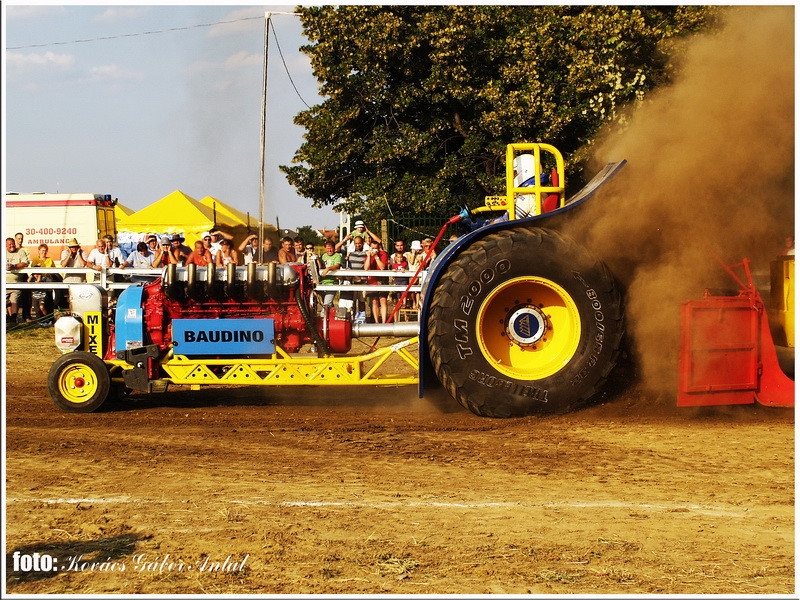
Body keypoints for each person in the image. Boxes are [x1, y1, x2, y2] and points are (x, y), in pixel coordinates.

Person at [365, 239, 389, 323]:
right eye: (372, 248)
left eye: (376, 248)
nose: (374, 250)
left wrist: (376, 257)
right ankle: (376, 321)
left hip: (382, 280)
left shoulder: (383, 255)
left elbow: (382, 267)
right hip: (372, 281)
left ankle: (384, 322)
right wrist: (368, 256)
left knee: (383, 300)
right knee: (374, 301)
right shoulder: (367, 255)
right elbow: (366, 268)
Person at [6, 237, 30, 323]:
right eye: (9, 244)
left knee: (14, 299)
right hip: (5, 283)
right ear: (6, 245)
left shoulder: (20, 251)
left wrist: (14, 266)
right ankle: (8, 317)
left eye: (13, 244)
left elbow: (25, 263)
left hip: (16, 283)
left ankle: (13, 319)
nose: (12, 246)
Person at [30, 244, 55, 322]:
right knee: (38, 301)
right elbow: (33, 271)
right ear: (39, 251)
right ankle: (41, 319)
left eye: (45, 250)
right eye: (42, 250)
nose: (44, 252)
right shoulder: (35, 259)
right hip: (39, 280)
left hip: (47, 280)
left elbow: (54, 270)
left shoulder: (50, 260)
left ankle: (50, 318)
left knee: (49, 299)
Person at [318, 240, 342, 308]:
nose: (329, 250)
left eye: (331, 248)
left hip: (332, 282)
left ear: (334, 248)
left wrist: (328, 269)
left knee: (327, 304)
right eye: (327, 248)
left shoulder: (337, 256)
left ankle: (323, 317)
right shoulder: (323, 256)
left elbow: (337, 265)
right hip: (322, 282)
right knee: (327, 303)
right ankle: (332, 314)